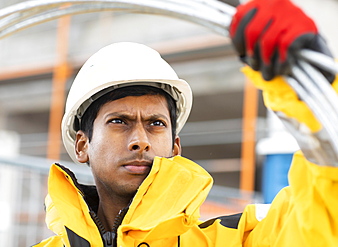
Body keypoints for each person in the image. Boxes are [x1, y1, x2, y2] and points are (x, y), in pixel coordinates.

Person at [34, 0, 338, 246]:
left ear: (175, 147)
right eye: (119, 121)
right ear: (82, 144)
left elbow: (321, 217)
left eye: (156, 124)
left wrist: (314, 89)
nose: (140, 139)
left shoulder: (235, 239)